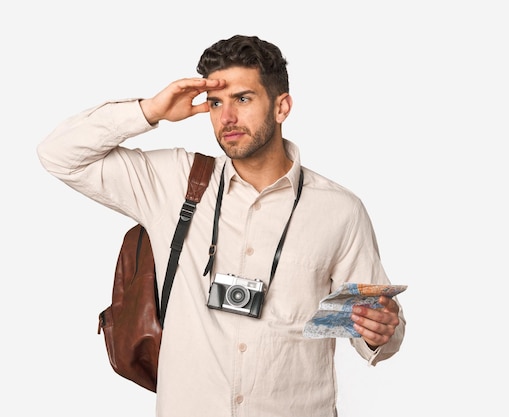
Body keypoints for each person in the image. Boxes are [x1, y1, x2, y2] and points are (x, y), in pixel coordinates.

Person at [38, 34, 406, 417]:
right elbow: (59, 155)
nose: (226, 118)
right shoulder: (174, 182)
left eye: (243, 99)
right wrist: (150, 111)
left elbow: (379, 327)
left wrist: (380, 329)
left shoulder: (339, 210)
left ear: (282, 107)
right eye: (216, 103)